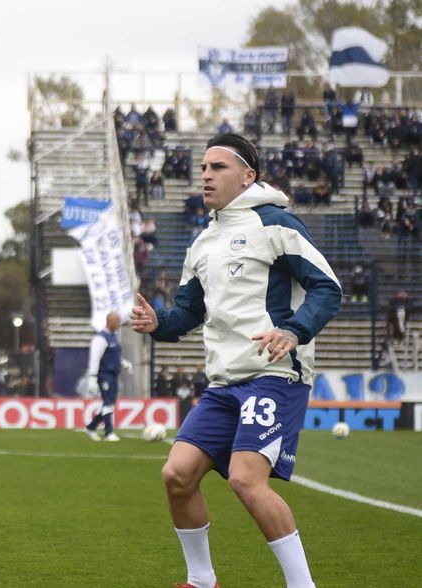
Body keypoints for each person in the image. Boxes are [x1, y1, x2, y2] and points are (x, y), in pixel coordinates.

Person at [130, 133, 341, 588]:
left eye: (218, 167)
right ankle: (202, 580)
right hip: (225, 384)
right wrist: (157, 322)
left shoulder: (277, 223)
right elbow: (187, 313)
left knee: (246, 480)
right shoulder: (203, 241)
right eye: (203, 168)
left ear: (248, 176)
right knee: (177, 475)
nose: (206, 174)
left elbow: (329, 287)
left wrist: (292, 331)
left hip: (275, 374)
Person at [82, 312, 132, 441]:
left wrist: (123, 362)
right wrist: (92, 378)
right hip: (104, 374)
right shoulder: (100, 338)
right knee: (108, 402)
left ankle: (91, 427)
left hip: (113, 374)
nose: (119, 323)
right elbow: (95, 359)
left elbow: (113, 355)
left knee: (109, 403)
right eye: (117, 321)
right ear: (110, 321)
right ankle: (109, 432)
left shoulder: (114, 337)